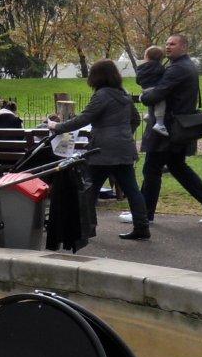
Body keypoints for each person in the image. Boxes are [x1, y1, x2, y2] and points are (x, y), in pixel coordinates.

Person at [47, 60, 148, 240]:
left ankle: (85, 229)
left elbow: (84, 119)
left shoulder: (102, 95)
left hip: (102, 150)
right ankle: (142, 227)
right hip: (124, 148)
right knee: (132, 190)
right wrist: (124, 134)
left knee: (89, 189)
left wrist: (57, 126)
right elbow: (136, 119)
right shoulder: (123, 95)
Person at [135, 34, 202, 226]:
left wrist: (142, 98)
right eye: (166, 44)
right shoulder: (184, 66)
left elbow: (158, 93)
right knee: (177, 167)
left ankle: (143, 215)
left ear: (184, 47)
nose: (168, 47)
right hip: (179, 126)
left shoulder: (178, 69)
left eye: (172, 44)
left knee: (151, 169)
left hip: (169, 129)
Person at [135, 46, 169, 137]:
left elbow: (137, 80)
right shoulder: (160, 67)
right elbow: (164, 78)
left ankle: (149, 116)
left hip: (145, 90)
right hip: (155, 89)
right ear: (161, 58)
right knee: (161, 103)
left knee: (152, 102)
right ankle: (159, 123)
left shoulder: (140, 68)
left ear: (146, 56)